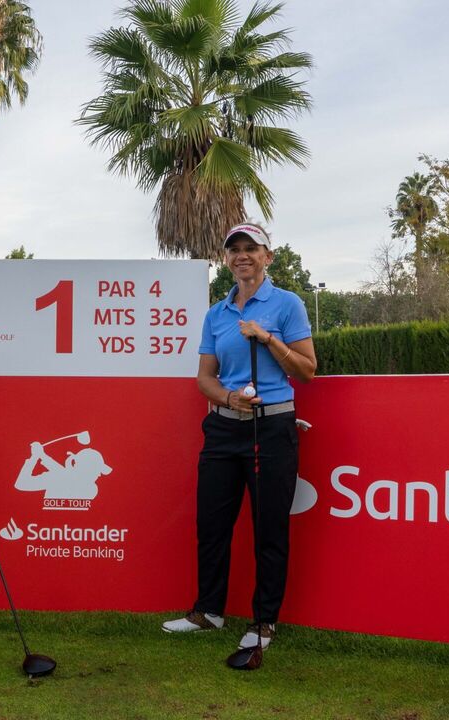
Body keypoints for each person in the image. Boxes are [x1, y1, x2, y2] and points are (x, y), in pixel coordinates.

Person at [161, 222, 317, 657]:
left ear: (268, 256)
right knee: (211, 524)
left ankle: (264, 621)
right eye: (235, 249)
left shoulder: (287, 304)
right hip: (223, 427)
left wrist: (267, 338)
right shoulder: (217, 313)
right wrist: (228, 396)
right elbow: (204, 379)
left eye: (252, 248)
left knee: (269, 529)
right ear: (226, 259)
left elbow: (307, 370)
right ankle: (208, 611)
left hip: (270, 428)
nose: (242, 255)